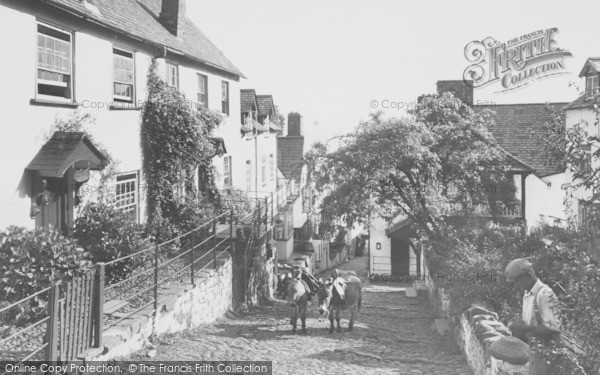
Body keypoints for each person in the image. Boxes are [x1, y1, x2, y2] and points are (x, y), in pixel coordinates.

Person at [504, 258, 565, 374]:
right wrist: (519, 325)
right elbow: (534, 322)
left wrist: (525, 329)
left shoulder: (545, 294)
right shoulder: (527, 293)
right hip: (535, 351)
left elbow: (555, 329)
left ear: (528, 275)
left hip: (549, 355)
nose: (516, 285)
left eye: (517, 281)